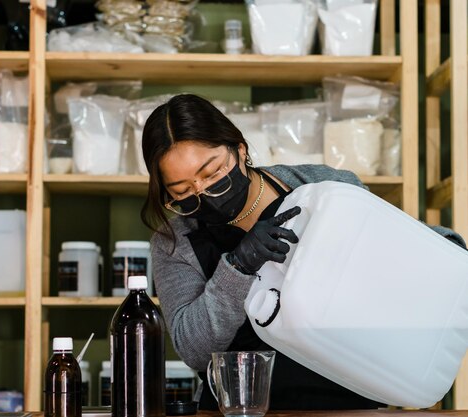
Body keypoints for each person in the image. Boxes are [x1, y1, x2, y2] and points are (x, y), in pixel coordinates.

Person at [140, 94, 466, 410]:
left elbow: (388, 241)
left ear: (238, 149)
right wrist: (238, 268)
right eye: (182, 192)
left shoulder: (321, 186)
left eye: (212, 173)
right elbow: (194, 350)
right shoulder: (174, 242)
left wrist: (443, 247)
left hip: (349, 399)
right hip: (242, 408)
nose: (204, 193)